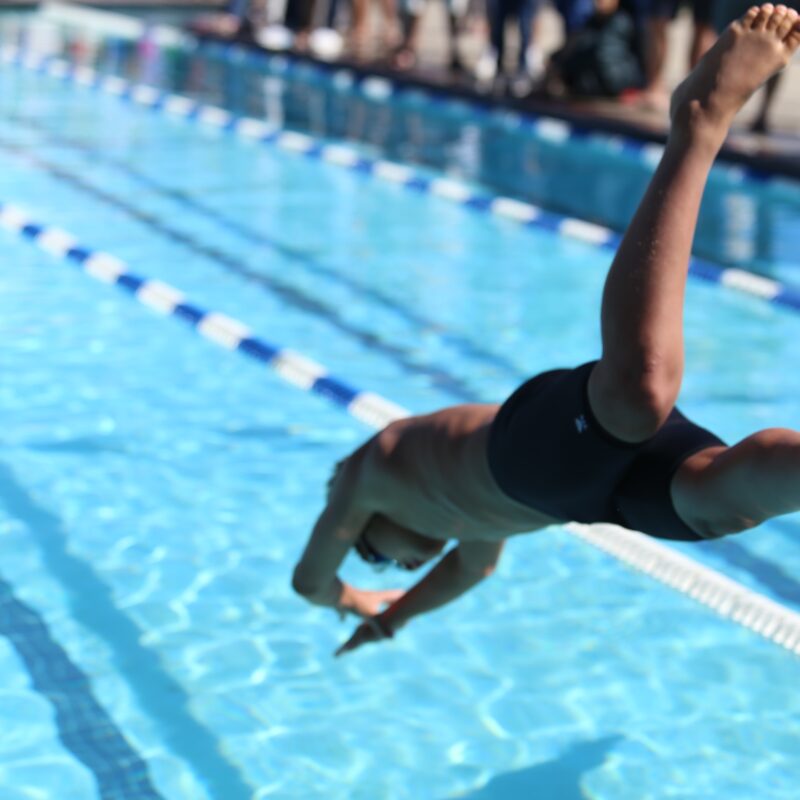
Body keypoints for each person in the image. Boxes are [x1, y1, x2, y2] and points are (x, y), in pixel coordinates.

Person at [292, 4, 800, 656]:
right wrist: (392, 619)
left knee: (639, 389)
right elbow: (472, 568)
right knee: (718, 500)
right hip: (575, 491)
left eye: (377, 557)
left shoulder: (368, 475)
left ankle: (697, 123)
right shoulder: (465, 521)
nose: (395, 565)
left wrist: (349, 596)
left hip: (530, 454)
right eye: (386, 572)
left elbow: (308, 580)